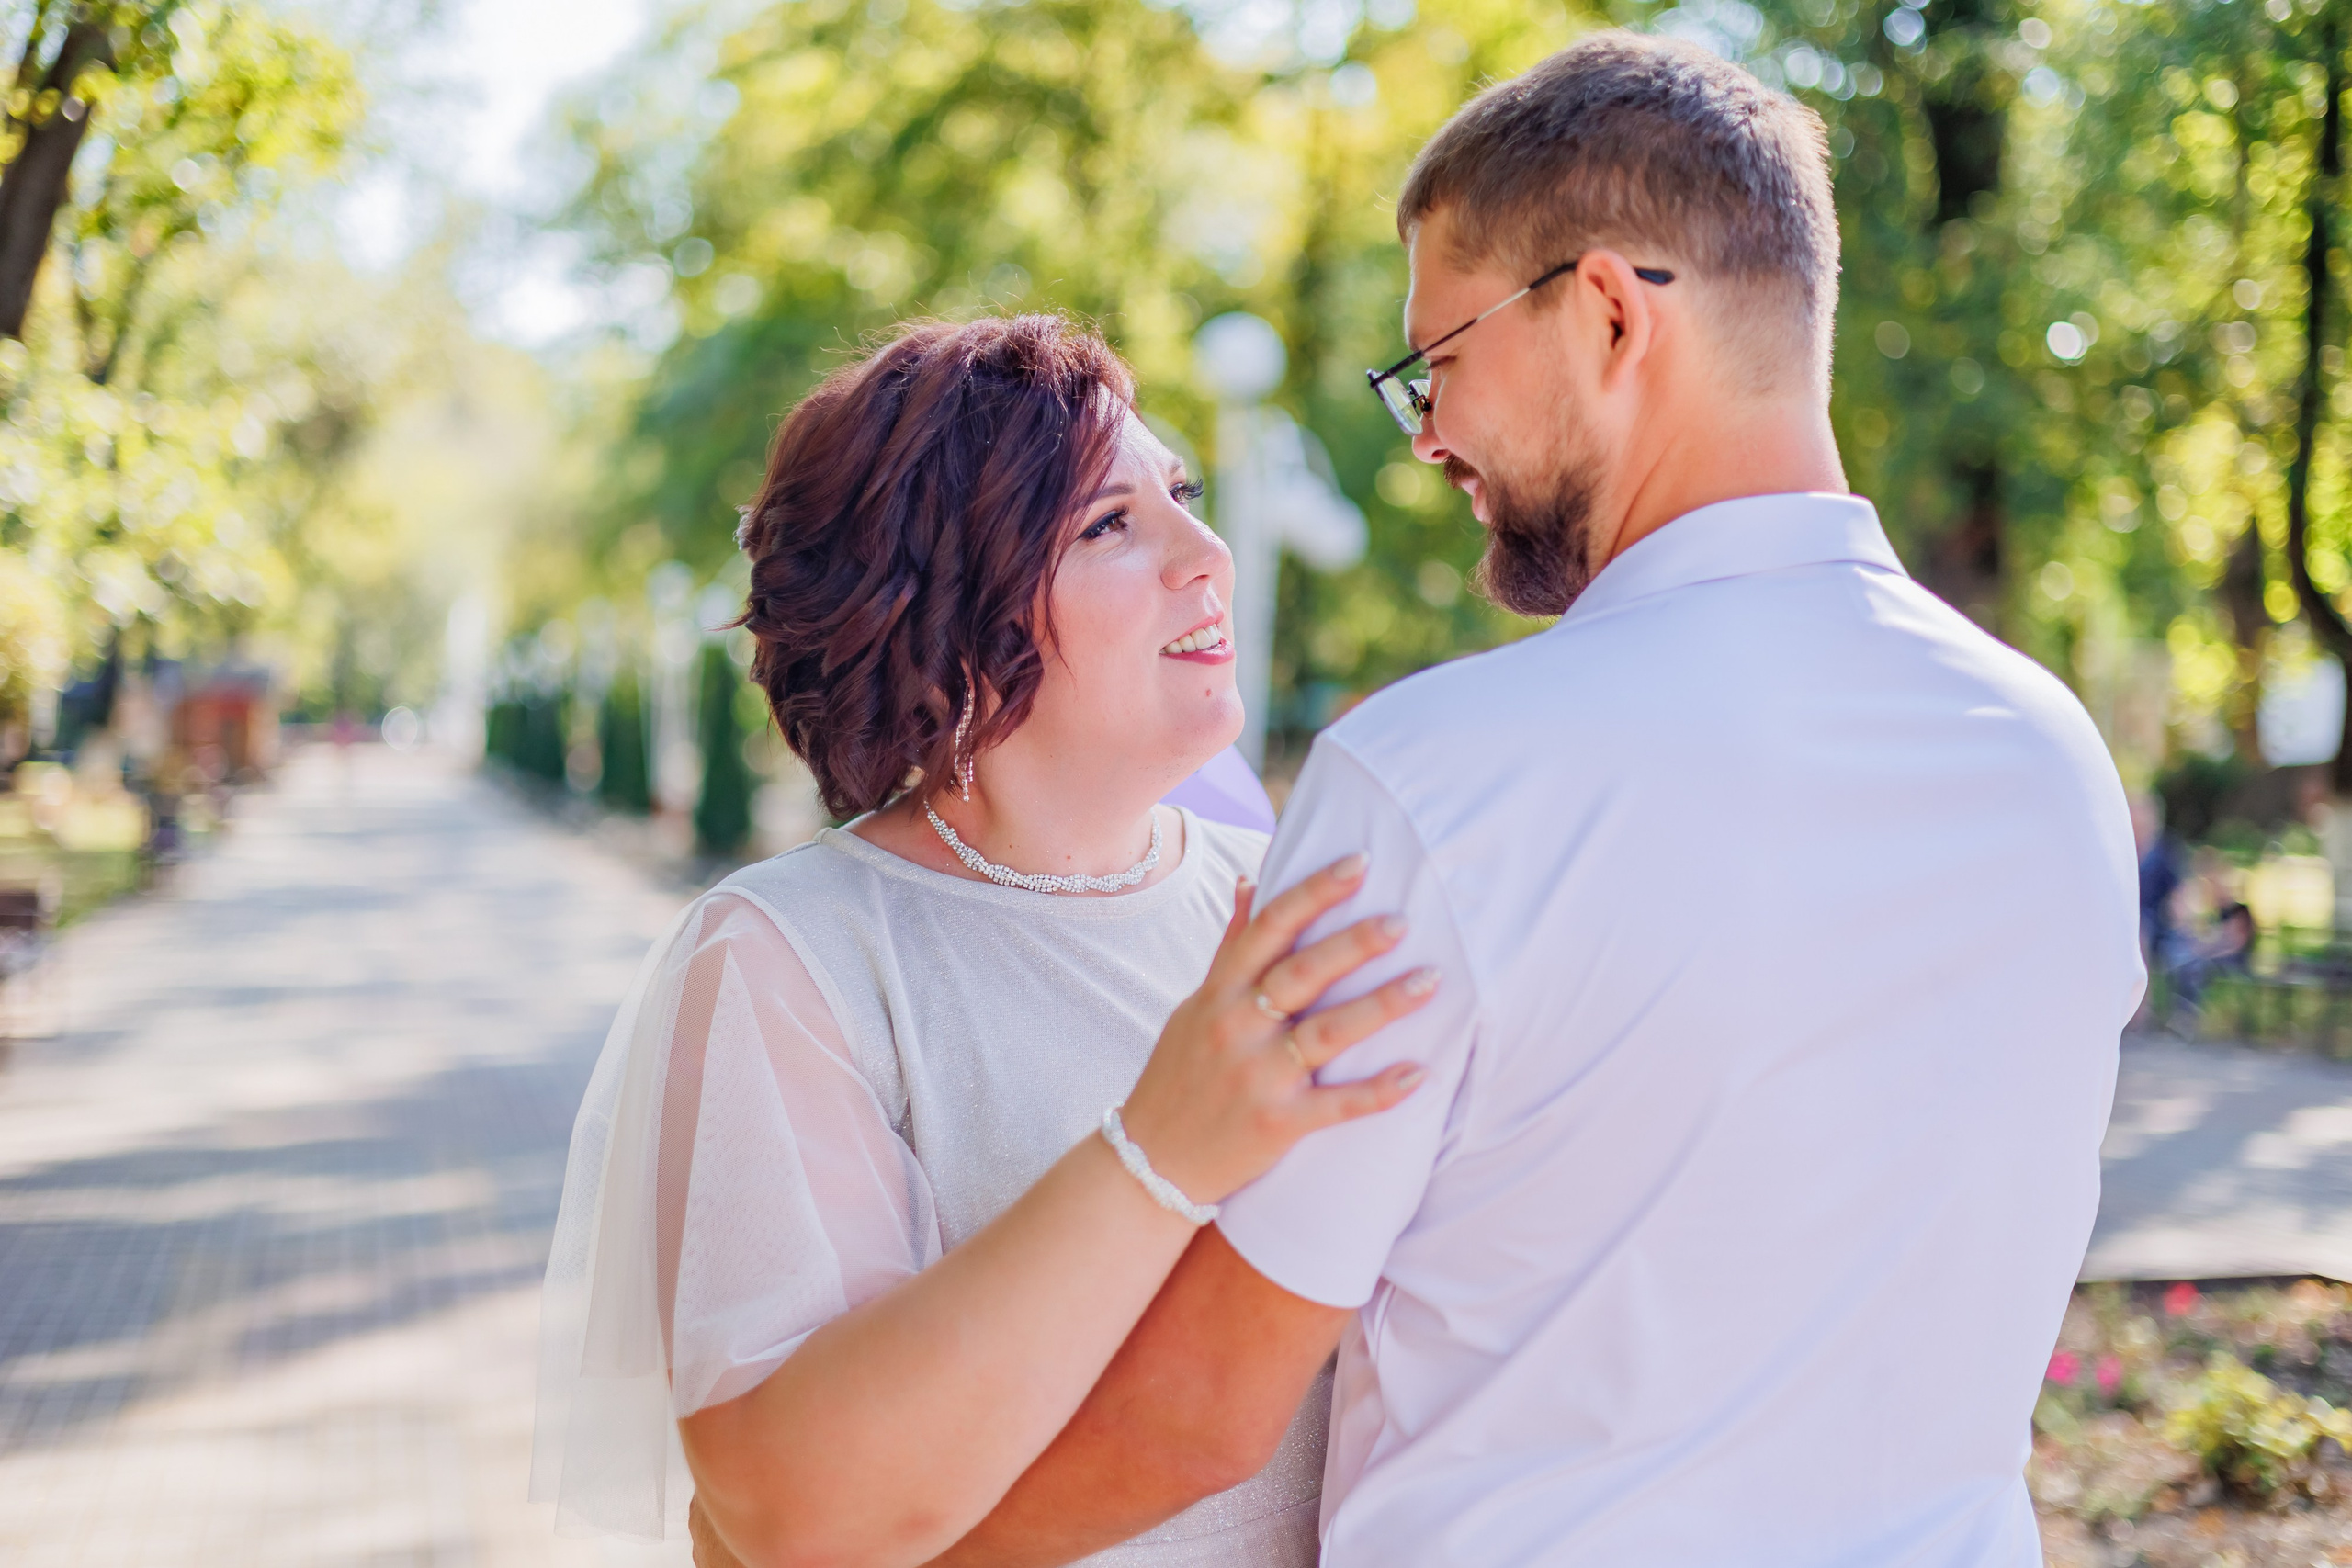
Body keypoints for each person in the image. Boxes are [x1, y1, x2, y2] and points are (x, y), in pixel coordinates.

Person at [929, 34, 2144, 1568]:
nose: (1429, 434)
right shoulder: (2051, 758)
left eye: (1438, 359)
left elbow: (1203, 1418)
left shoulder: (1438, 780)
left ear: (1612, 315)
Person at [531, 317, 1442, 1565]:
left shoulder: (1285, 891)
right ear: (947, 619)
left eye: (1181, 493)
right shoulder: (791, 958)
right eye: (1109, 526)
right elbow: (791, 1512)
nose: (1208, 555)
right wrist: (1158, 1149)